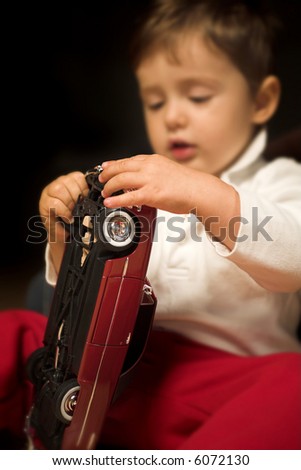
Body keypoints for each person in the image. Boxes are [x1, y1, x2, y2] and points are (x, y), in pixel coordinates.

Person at [39, 0, 301, 449]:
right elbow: (77, 298)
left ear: (261, 101)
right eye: (155, 102)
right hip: (116, 374)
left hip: (226, 382)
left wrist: (201, 193)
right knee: (16, 330)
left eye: (198, 97)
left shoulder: (280, 180)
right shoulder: (137, 187)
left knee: (294, 386)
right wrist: (64, 233)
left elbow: (293, 258)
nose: (173, 116)